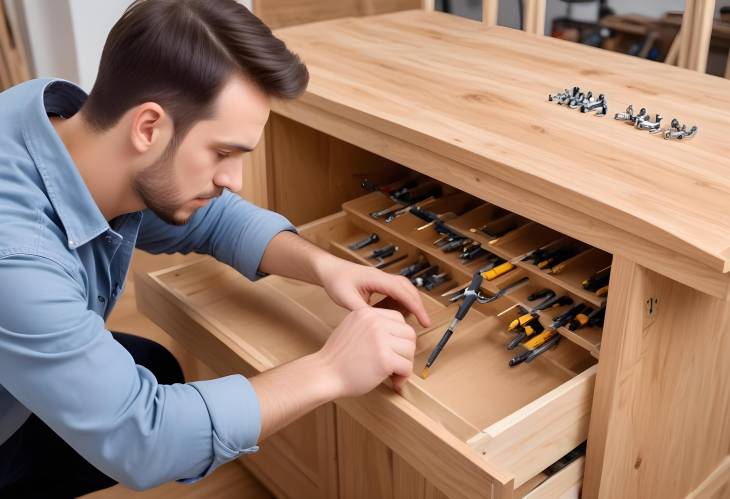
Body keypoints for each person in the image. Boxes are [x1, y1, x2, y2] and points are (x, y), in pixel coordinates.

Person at [0, 0, 430, 496]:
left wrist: (323, 266)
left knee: (157, 368)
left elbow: (213, 218)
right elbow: (147, 439)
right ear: (148, 127)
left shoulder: (61, 123)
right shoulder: (20, 258)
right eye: (222, 153)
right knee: (140, 416)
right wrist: (331, 370)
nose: (234, 180)